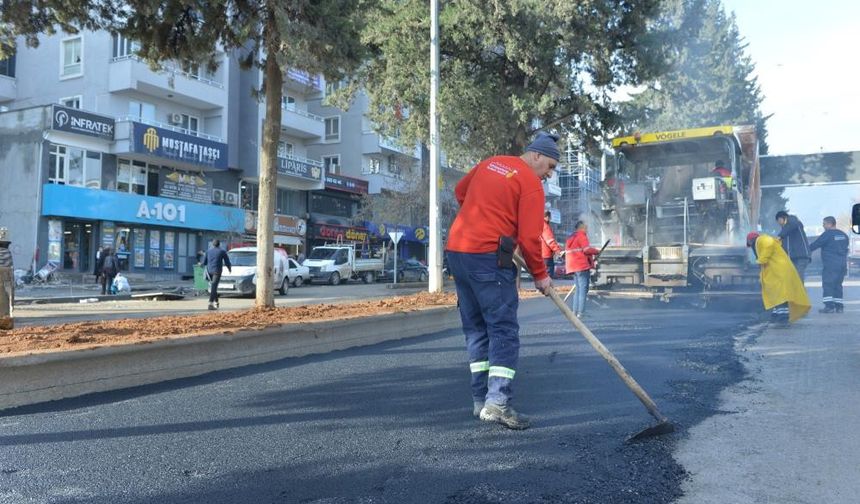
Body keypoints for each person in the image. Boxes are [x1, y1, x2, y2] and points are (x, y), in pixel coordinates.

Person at [445, 131, 558, 430]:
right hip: (485, 257)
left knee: (476, 328)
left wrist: (482, 217)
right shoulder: (530, 183)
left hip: (457, 251)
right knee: (503, 330)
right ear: (536, 155)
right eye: (549, 166)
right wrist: (541, 276)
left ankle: (480, 401)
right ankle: (498, 403)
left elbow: (460, 191)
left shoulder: (490, 163)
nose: (548, 174)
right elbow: (531, 238)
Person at [746, 232, 810, 324]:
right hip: (777, 271)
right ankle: (776, 315)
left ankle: (783, 317)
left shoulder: (763, 239)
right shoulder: (760, 242)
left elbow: (769, 243)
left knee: (781, 294)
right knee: (776, 294)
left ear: (750, 240)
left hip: (780, 271)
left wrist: (761, 259)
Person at [774, 211, 811, 321]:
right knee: (793, 282)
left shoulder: (793, 221)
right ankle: (796, 307)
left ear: (782, 218)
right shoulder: (788, 228)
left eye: (778, 221)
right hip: (794, 258)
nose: (779, 224)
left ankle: (803, 307)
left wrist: (779, 236)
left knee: (798, 281)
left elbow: (789, 227)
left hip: (801, 257)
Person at [809, 216, 849, 313]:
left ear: (830, 224)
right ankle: (839, 307)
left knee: (828, 284)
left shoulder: (827, 234)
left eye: (824, 224)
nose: (823, 226)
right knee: (838, 285)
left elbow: (815, 245)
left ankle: (829, 306)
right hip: (842, 264)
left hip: (831, 265)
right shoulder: (843, 235)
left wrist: (804, 251)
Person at [565, 221, 599, 318]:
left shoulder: (570, 238)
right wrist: (597, 251)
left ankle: (575, 312)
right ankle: (581, 312)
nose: (587, 230)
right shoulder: (581, 236)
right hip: (581, 266)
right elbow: (586, 249)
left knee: (578, 289)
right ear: (582, 228)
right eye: (586, 228)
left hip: (573, 267)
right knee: (583, 290)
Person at [202, 239, 232, 310]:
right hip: (217, 272)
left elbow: (204, 262)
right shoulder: (222, 251)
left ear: (212, 244)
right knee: (214, 287)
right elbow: (227, 261)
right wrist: (229, 268)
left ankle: (216, 302)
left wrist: (202, 264)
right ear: (219, 244)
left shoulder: (208, 251)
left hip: (209, 271)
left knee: (213, 286)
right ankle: (210, 303)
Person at [540, 211, 563, 279]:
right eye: (550, 218)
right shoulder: (545, 226)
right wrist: (558, 251)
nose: (550, 219)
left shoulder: (537, 225)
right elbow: (550, 241)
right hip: (546, 255)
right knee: (548, 275)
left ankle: (542, 289)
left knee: (542, 276)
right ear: (547, 217)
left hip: (540, 254)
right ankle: (548, 289)